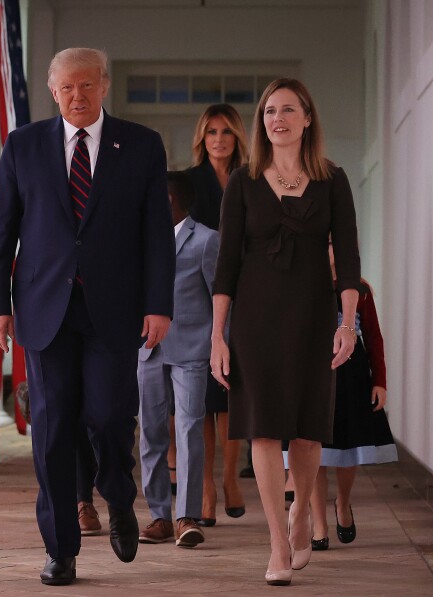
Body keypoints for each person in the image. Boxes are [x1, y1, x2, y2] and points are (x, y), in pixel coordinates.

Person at [0, 47, 175, 586]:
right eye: (67, 87)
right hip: (44, 311)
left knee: (110, 416)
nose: (77, 96)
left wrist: (157, 304)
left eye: (87, 85)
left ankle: (118, 497)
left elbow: (157, 236)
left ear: (105, 86)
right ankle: (60, 549)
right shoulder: (23, 146)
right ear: (52, 90)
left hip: (114, 311)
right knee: (50, 429)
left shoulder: (140, 146)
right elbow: (2, 233)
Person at [210, 78, 361, 586]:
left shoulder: (331, 180)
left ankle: (301, 513)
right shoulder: (243, 183)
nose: (278, 118)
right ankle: (277, 541)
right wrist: (217, 337)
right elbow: (226, 265)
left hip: (314, 318)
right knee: (264, 427)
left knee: (307, 429)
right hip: (254, 322)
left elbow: (349, 262)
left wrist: (347, 323)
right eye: (270, 111)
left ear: (307, 118)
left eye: (288, 110)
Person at [137, 171, 216, 549]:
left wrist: (221, 346)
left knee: (188, 431)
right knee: (151, 434)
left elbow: (221, 300)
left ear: (168, 199)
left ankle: (187, 516)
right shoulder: (141, 240)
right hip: (147, 350)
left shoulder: (206, 241)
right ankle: (159, 517)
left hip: (192, 351)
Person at [308, 241, 397, 550]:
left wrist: (380, 382)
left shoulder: (360, 289)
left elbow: (373, 337)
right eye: (327, 243)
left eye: (335, 243)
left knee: (348, 448)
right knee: (312, 451)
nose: (330, 249)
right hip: (313, 371)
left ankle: (342, 503)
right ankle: (318, 524)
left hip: (351, 372)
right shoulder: (304, 283)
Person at [184, 104, 249, 526]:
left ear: (238, 137)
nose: (219, 139)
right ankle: (205, 487)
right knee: (201, 398)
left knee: (232, 393)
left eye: (226, 132)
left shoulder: (254, 178)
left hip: (245, 295)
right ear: (202, 139)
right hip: (195, 298)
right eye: (211, 132)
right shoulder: (186, 183)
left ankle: (230, 478)